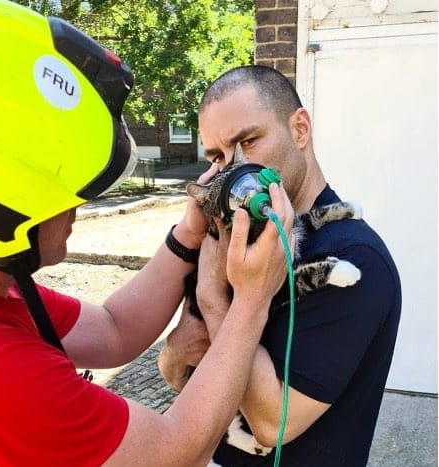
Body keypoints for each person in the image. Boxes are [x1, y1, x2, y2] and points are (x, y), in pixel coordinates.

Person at [0, 1, 295, 465]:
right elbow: (178, 452)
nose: (80, 203)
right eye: (63, 186)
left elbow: (115, 331)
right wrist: (253, 299)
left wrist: (187, 235)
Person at [158, 65, 402, 466]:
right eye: (218, 157)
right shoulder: (234, 235)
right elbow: (173, 363)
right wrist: (172, 354)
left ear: (300, 129)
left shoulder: (356, 258)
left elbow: (273, 423)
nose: (234, 169)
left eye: (248, 142)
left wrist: (214, 300)